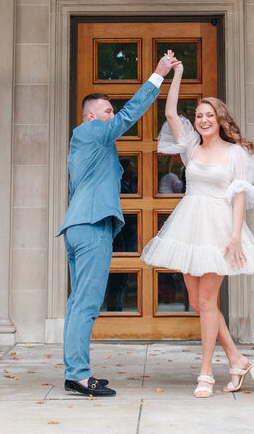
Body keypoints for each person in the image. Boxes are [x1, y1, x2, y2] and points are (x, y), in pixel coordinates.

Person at [140, 60, 254, 397]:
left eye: (209, 115)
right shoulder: (190, 147)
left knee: (209, 300)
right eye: (199, 115)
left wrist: (234, 236)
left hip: (219, 227)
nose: (203, 120)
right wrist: (177, 75)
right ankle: (237, 358)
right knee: (200, 303)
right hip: (189, 224)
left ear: (220, 119)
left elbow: (239, 197)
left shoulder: (236, 153)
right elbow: (171, 114)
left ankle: (205, 373)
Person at [57, 49, 181, 397]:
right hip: (92, 227)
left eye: (109, 112)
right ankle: (79, 375)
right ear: (91, 115)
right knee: (86, 303)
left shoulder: (85, 144)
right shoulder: (91, 131)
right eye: (106, 111)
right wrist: (158, 74)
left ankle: (74, 372)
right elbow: (128, 116)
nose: (112, 116)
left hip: (79, 227)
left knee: (78, 302)